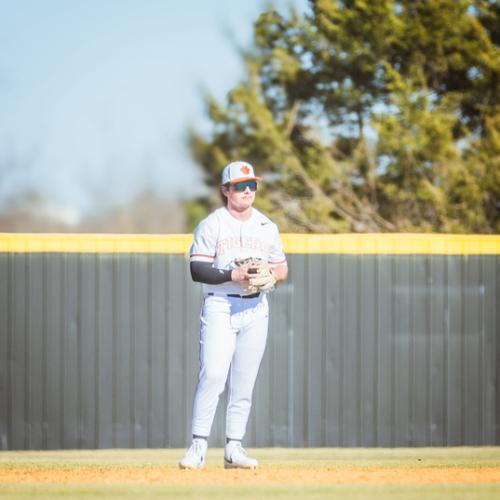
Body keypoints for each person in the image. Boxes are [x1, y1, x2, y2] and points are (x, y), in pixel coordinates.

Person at [179, 160, 288, 469]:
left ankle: (233, 449)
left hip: (256, 307)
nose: (247, 190)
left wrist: (270, 274)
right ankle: (198, 446)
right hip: (221, 304)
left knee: (244, 380)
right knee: (213, 374)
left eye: (252, 184)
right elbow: (197, 269)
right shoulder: (213, 223)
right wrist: (234, 273)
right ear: (225, 190)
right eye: (240, 186)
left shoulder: (267, 225)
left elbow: (282, 267)